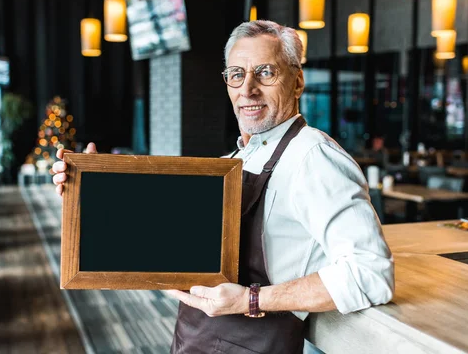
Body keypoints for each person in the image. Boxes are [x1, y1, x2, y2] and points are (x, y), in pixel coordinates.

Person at [52, 20, 394, 353]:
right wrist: (93, 187)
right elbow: (166, 245)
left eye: (265, 72)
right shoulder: (232, 161)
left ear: (297, 81)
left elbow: (370, 273)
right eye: (236, 75)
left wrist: (251, 299)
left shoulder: (312, 157)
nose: (248, 89)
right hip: (195, 339)